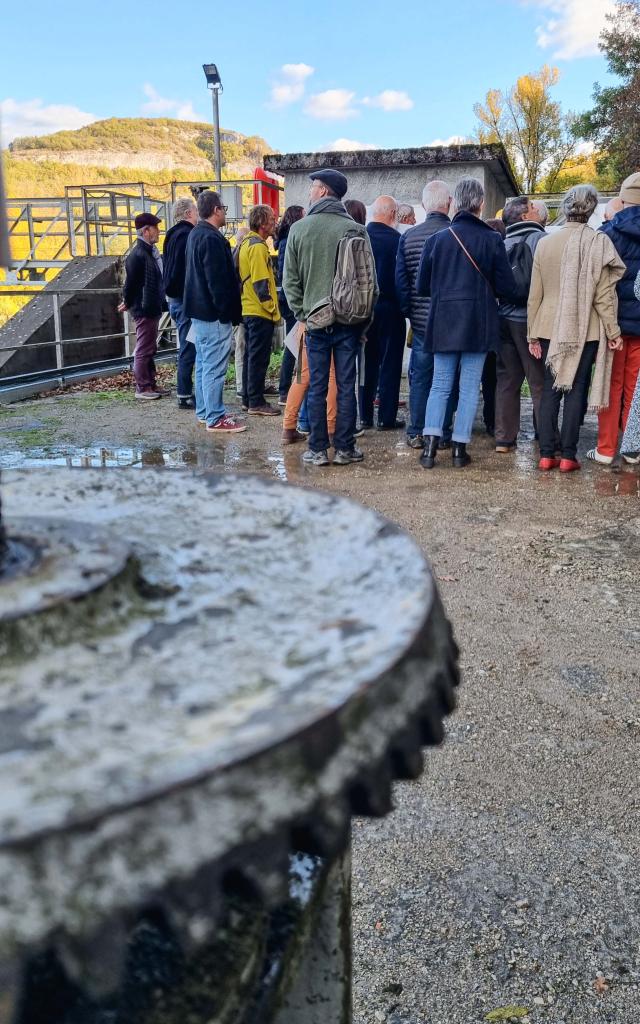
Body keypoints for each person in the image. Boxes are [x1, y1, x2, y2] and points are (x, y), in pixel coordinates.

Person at [416, 177, 520, 469]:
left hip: (444, 321)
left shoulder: (436, 240)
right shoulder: (491, 239)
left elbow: (422, 286)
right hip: (478, 320)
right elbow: (506, 287)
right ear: (481, 203)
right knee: (469, 386)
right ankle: (460, 450)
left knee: (439, 385)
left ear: (455, 203)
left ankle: (430, 448)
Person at [283, 167, 376, 466]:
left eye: (312, 188)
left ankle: (318, 449)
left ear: (323, 191)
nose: (309, 193)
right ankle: (346, 448)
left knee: (317, 385)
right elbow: (371, 285)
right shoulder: (357, 230)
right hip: (350, 323)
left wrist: (303, 314)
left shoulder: (299, 229)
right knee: (347, 386)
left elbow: (290, 283)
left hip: (315, 322)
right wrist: (363, 322)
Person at [527, 184, 624, 472]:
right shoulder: (600, 242)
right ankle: (568, 456)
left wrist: (531, 331)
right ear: (592, 208)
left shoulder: (545, 242)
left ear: (566, 207)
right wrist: (613, 331)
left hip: (547, 325)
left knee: (550, 389)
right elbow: (604, 296)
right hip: (587, 328)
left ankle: (546, 454)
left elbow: (535, 294)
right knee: (576, 389)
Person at [396, 180, 454, 449]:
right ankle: (441, 430)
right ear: (449, 203)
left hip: (420, 321)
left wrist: (410, 312)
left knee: (419, 377)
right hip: (451, 322)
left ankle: (416, 430)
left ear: (423, 206)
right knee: (447, 376)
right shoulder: (455, 234)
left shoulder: (408, 236)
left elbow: (401, 282)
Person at [587, 172, 640, 465]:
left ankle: (606, 449)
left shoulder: (608, 233)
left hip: (614, 325)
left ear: (623, 199)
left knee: (610, 384)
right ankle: (632, 449)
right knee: (635, 385)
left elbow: (598, 284)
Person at [183, 189, 245, 433]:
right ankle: (215, 417)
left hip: (199, 311)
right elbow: (217, 282)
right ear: (217, 210)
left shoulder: (196, 234)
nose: (225, 214)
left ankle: (205, 411)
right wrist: (225, 312)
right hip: (213, 314)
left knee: (203, 363)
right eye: (224, 209)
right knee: (213, 367)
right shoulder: (211, 238)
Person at [494, 196, 547, 453]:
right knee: (538, 381)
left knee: (507, 379)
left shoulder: (501, 243)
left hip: (503, 318)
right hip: (530, 321)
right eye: (534, 208)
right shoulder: (540, 240)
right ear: (525, 216)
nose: (538, 211)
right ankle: (544, 434)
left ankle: (504, 439)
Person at [361, 195, 405, 430]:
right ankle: (386, 417)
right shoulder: (398, 239)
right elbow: (402, 278)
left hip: (364, 309)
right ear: (392, 214)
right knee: (390, 363)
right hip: (391, 307)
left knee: (366, 362)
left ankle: (365, 416)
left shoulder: (360, 237)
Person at [118, 212, 169, 400]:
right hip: (144, 307)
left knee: (148, 347)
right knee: (144, 348)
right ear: (146, 231)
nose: (158, 231)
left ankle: (150, 384)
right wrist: (129, 301)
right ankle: (143, 386)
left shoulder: (145, 253)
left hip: (149, 306)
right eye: (155, 228)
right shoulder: (139, 255)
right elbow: (130, 283)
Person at [237, 205, 281, 416]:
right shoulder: (257, 247)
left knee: (250, 356)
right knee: (258, 357)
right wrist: (272, 309)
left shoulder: (247, 242)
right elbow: (261, 283)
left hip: (250, 308)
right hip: (258, 310)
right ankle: (256, 401)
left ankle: (248, 398)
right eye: (272, 219)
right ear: (262, 223)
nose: (275, 222)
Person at [163, 197, 198, 409]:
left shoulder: (171, 235)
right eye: (195, 210)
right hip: (184, 300)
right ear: (187, 214)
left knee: (186, 346)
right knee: (188, 347)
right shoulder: (187, 236)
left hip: (174, 299)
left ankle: (185, 391)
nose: (197, 214)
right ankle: (184, 394)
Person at [275, 205, 305, 405]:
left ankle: (288, 388)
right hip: (291, 301)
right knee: (294, 345)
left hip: (288, 299)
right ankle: (285, 390)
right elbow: (288, 275)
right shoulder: (288, 243)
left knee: (295, 344)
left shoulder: (286, 241)